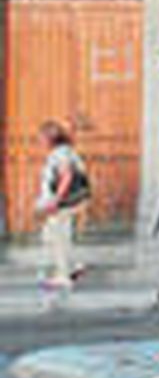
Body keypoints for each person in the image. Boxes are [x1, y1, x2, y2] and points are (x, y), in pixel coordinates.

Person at [34, 119, 87, 291]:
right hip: (66, 202)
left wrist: (56, 201)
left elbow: (67, 176)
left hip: (63, 204)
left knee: (58, 237)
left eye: (41, 137)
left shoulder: (60, 153)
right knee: (51, 235)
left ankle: (63, 276)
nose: (39, 141)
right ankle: (72, 267)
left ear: (50, 138)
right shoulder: (65, 151)